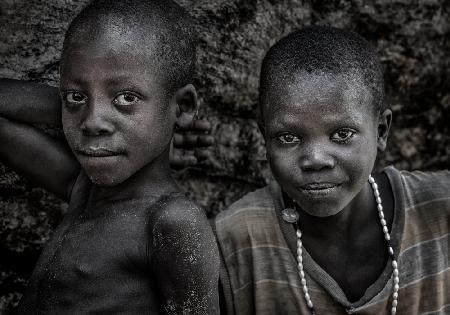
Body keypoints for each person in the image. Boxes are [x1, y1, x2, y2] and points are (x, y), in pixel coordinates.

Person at [0, 0, 219, 313]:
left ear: (183, 106)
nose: (92, 122)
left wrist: (83, 105)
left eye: (126, 97)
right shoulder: (84, 189)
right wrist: (70, 107)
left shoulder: (172, 221)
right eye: (76, 96)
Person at [215, 26, 450, 315]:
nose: (315, 159)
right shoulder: (236, 239)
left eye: (342, 134)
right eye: (288, 137)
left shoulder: (440, 209)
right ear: (264, 137)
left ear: (381, 131)